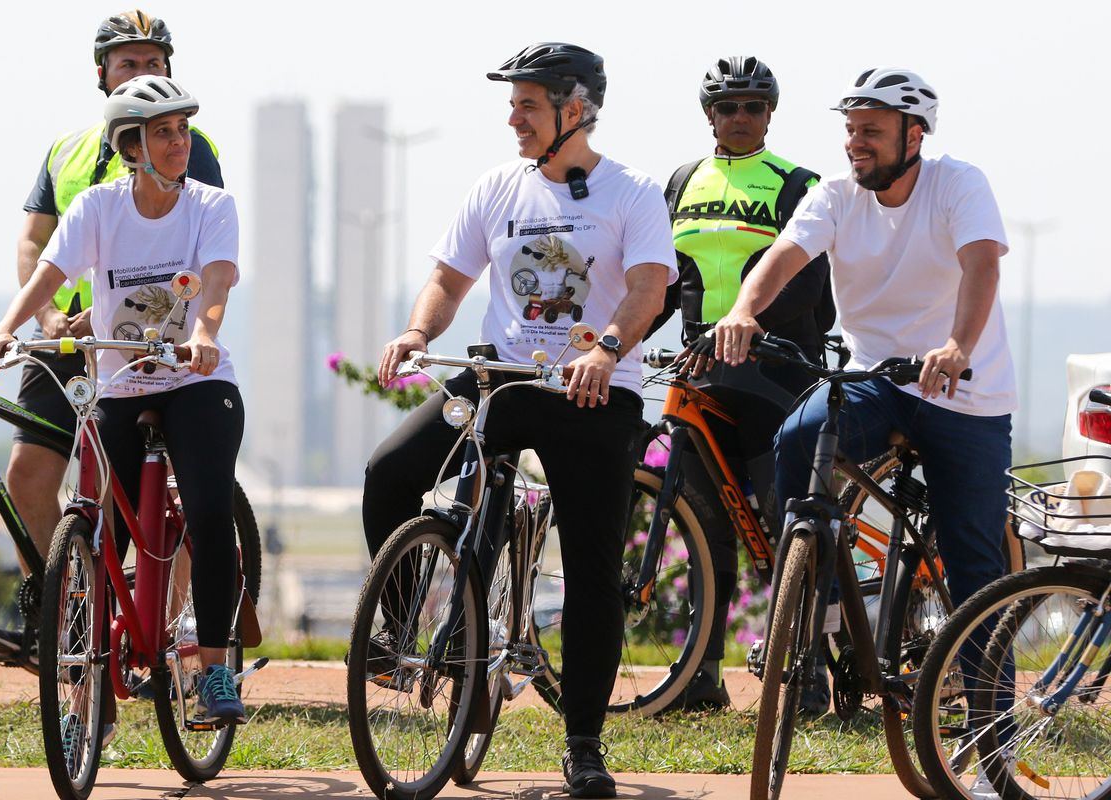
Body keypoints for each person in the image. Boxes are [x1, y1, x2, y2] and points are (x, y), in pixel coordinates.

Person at [364, 43, 673, 798]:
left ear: (576, 110)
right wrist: (416, 333)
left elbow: (648, 289)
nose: (514, 118)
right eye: (513, 105)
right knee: (390, 472)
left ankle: (584, 744)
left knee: (595, 574)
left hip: (591, 390)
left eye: (528, 105)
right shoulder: (496, 187)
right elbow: (449, 276)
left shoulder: (631, 192)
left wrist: (605, 349)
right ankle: (402, 628)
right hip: (500, 380)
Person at [713, 68, 1014, 725]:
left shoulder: (957, 183)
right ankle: (812, 641)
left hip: (964, 390)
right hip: (877, 380)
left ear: (914, 135)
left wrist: (959, 344)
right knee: (796, 438)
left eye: (871, 132)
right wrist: (743, 311)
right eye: (851, 130)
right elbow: (783, 256)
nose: (856, 143)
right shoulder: (836, 195)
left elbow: (982, 263)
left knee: (972, 557)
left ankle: (994, 728)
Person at [0, 75, 247, 725]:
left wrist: (204, 333)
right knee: (99, 532)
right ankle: (90, 679)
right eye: (164, 132)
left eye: (182, 129)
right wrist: (6, 329)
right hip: (121, 383)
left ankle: (212, 672)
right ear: (132, 147)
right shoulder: (99, 207)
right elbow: (50, 273)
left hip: (194, 379)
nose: (180, 142)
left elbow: (216, 278)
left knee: (210, 511)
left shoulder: (211, 205)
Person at [654, 56, 834, 712]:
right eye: (727, 107)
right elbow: (666, 282)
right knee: (704, 527)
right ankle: (700, 676)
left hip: (776, 375)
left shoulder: (798, 183)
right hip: (702, 379)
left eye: (752, 107)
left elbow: (809, 285)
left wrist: (742, 325)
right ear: (710, 114)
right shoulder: (679, 182)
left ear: (770, 114)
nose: (739, 118)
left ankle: (810, 671)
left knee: (791, 524)